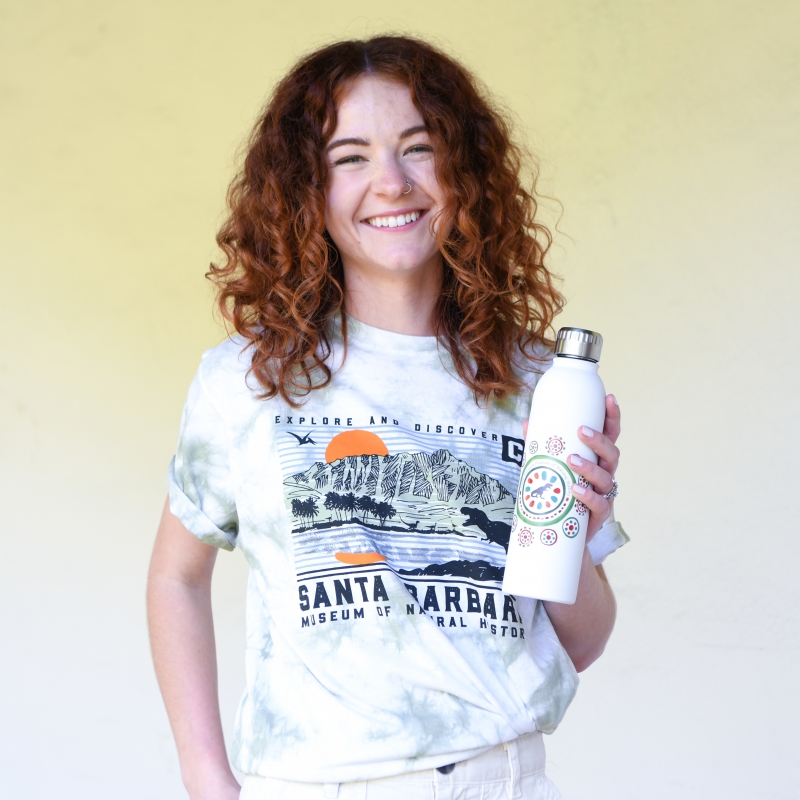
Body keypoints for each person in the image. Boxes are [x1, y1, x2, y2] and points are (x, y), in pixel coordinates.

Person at [147, 35, 629, 800]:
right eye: (350, 159)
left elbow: (587, 639)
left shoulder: (538, 380)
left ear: (462, 172)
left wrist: (577, 525)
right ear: (306, 189)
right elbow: (176, 575)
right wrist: (206, 776)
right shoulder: (247, 380)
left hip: (500, 778)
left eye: (419, 148)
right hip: (316, 784)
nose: (392, 183)